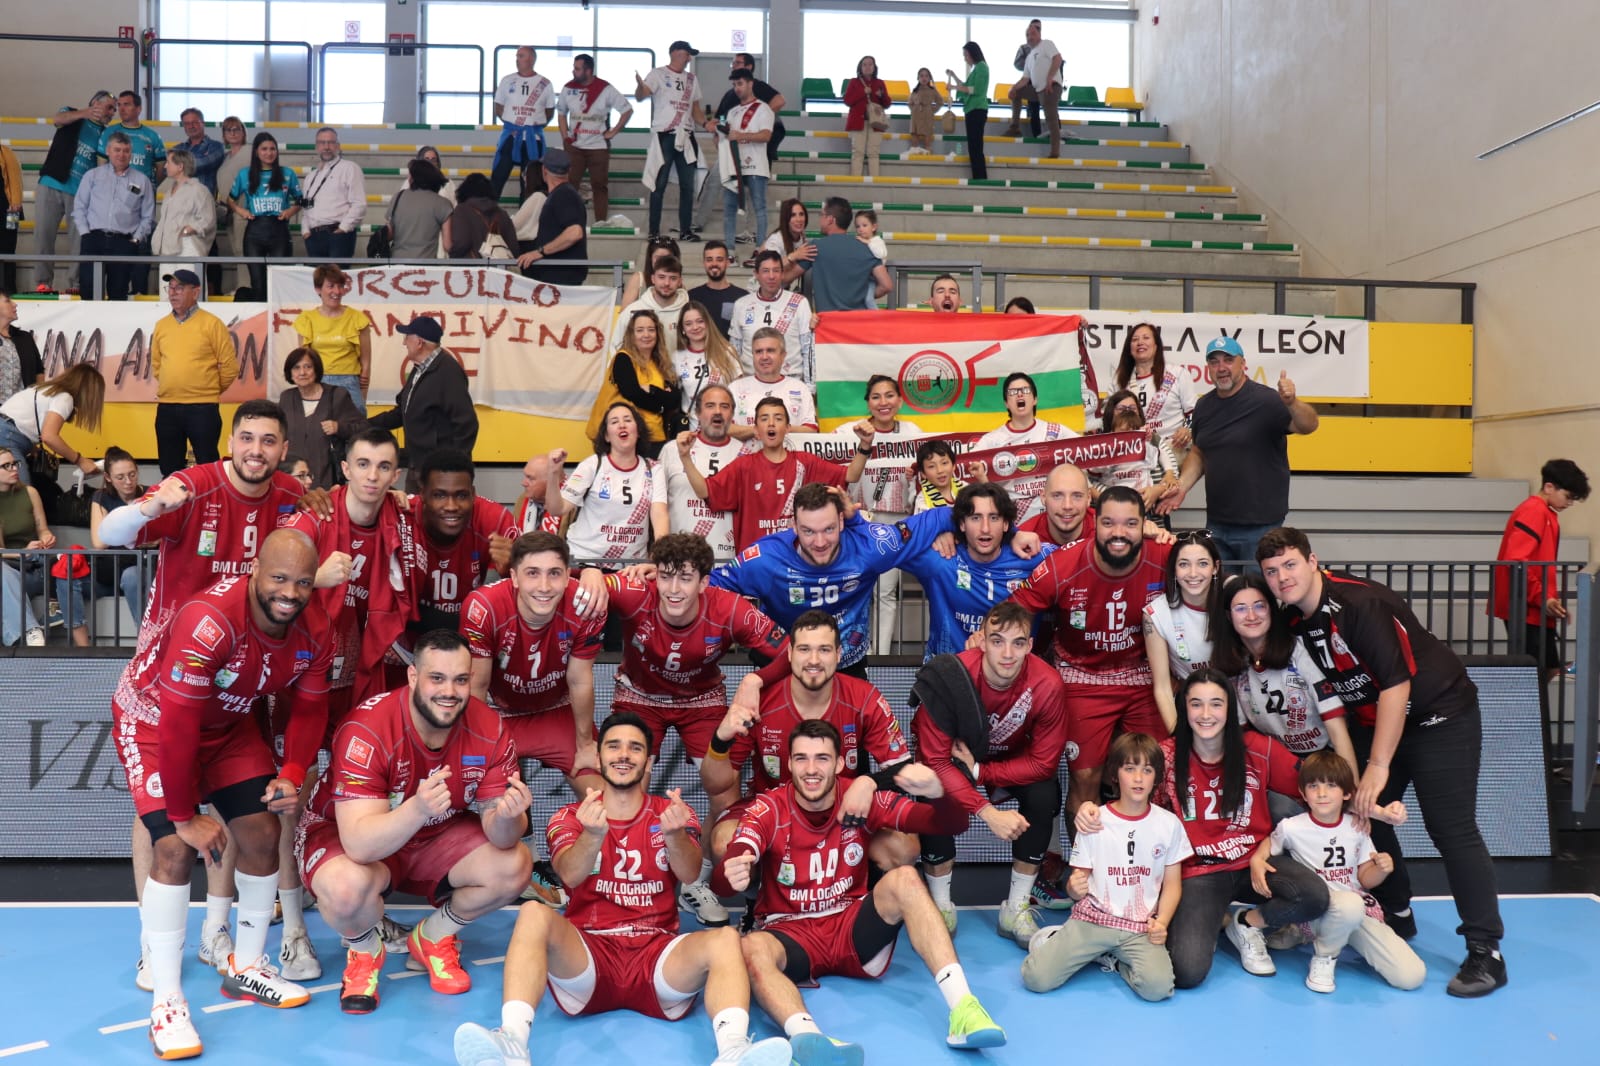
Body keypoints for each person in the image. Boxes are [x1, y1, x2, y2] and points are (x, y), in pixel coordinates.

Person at [451, 711, 792, 1066]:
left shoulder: (673, 813)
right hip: (588, 957)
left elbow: (691, 874)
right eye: (614, 747)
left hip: (657, 956)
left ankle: (734, 1050)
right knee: (535, 913)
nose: (624, 755)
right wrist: (592, 836)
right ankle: (512, 1045)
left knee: (724, 939)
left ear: (648, 761)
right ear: (599, 758)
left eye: (635, 748)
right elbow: (569, 875)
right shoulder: (572, 815)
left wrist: (675, 835)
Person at [1256, 526, 1509, 997]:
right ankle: (1397, 913)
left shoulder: (1358, 605)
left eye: (1290, 565)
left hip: (1439, 714)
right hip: (1376, 719)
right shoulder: (1291, 618)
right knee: (1364, 814)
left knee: (1451, 830)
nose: (1282, 577)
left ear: (1314, 562)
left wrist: (1377, 764)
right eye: (1272, 572)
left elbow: (1396, 686)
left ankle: (1486, 951)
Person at [115, 529, 334, 1058]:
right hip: (154, 721)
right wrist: (184, 814)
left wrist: (294, 768)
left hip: (230, 726)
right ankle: (167, 1002)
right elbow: (179, 724)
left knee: (262, 832)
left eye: (303, 582)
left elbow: (309, 706)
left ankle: (248, 967)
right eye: (279, 578)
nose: (291, 593)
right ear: (255, 570)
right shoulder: (209, 620)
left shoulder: (316, 627)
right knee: (171, 846)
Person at [714, 719, 1005, 1058]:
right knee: (749, 947)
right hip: (789, 933)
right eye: (802, 759)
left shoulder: (862, 800)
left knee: (907, 879)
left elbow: (951, 824)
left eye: (822, 758)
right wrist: (731, 870)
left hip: (852, 927)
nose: (811, 769)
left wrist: (938, 794)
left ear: (839, 764)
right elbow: (723, 880)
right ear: (789, 764)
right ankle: (810, 1040)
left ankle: (965, 1010)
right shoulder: (768, 808)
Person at [298, 629, 533, 1014]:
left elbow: (502, 837)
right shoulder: (367, 729)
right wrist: (417, 809)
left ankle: (433, 938)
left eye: (460, 679)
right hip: (348, 837)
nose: (450, 691)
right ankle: (363, 951)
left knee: (514, 864)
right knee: (344, 888)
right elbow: (359, 844)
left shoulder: (489, 726)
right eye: (436, 678)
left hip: (432, 837)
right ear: (412, 678)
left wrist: (509, 818)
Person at [1074, 670, 1332, 990]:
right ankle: (1217, 919)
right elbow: (1133, 809)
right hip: (1198, 874)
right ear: (1184, 709)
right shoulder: (1166, 756)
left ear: (1230, 709)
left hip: (1255, 863)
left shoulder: (1258, 748)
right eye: (1196, 705)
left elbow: (1318, 786)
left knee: (1315, 897)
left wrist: (1366, 808)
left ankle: (1245, 924)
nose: (1206, 714)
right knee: (1186, 972)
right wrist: (1091, 809)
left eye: (1216, 704)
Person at [604, 535, 787, 925]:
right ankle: (627, 880)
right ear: (654, 577)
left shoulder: (730, 608)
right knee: (628, 781)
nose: (673, 589)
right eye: (666, 577)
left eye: (685, 579)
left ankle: (695, 884)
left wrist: (756, 680)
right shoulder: (634, 590)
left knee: (724, 787)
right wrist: (589, 573)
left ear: (705, 582)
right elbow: (563, 583)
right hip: (639, 696)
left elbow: (788, 649)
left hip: (701, 700)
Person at [1008, 485, 1172, 820]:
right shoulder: (1063, 564)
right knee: (1085, 780)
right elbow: (1015, 612)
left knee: (1156, 773)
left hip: (1143, 675)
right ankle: (1085, 868)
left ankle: (1150, 865)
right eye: (1109, 523)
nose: (1119, 533)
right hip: (1082, 676)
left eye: (1130, 524)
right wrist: (987, 638)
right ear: (1094, 523)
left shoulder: (1165, 555)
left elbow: (1206, 593)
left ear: (1144, 525)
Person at [913, 602, 1069, 943]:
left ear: (1030, 646)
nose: (1008, 653)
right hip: (952, 760)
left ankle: (1015, 909)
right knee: (930, 787)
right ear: (980, 640)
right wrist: (987, 812)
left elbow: (1043, 762)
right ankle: (940, 907)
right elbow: (936, 761)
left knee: (1044, 792)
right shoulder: (949, 678)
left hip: (1008, 762)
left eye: (1017, 643)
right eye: (997, 641)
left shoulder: (1047, 684)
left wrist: (981, 771)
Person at [706, 485, 975, 678]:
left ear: (842, 522)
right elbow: (708, 589)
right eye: (809, 531)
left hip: (845, 665)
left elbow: (945, 515)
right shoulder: (764, 559)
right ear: (794, 527)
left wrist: (1010, 535)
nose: (820, 542)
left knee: (856, 753)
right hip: (781, 665)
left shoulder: (872, 546)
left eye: (829, 529)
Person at [1022, 732, 1190, 1000]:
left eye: (1147, 770)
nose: (1138, 778)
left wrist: (1162, 922)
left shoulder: (1169, 825)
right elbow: (1078, 884)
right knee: (1035, 978)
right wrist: (1074, 888)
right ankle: (1061, 938)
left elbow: (1172, 885)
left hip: (1139, 928)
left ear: (1156, 777)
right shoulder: (1094, 820)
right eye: (1129, 769)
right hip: (1093, 921)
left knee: (1158, 989)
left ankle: (1114, 959)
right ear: (1115, 774)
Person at [1253, 750, 1426, 992]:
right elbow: (1269, 845)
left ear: (1347, 793)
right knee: (1349, 905)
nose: (1322, 793)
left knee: (1411, 976)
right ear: (1303, 793)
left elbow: (1366, 877)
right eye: (1313, 786)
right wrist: (1257, 860)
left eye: (1331, 786)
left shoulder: (1356, 827)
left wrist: (1383, 868)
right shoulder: (1292, 827)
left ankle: (1312, 935)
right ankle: (1324, 956)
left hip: (1353, 912)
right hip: (1314, 910)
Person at [1159, 336, 1318, 564]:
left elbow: (1308, 426)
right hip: (1216, 524)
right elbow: (1200, 452)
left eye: (1228, 360)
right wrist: (1182, 487)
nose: (1221, 367)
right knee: (1221, 593)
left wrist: (1292, 403)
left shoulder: (1267, 400)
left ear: (1242, 364)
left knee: (1257, 596)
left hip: (1262, 526)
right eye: (1214, 362)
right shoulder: (1204, 406)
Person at [1209, 572, 1359, 780]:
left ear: (1272, 609)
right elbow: (1243, 738)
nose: (1252, 616)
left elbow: (1336, 726)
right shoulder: (1233, 667)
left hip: (1327, 758)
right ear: (1228, 616)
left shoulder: (1298, 650)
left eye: (1260, 606)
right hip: (1279, 764)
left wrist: (1350, 790)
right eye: (1241, 609)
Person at [898, 484, 1050, 661]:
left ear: (1006, 524)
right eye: (975, 518)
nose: (985, 528)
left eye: (994, 518)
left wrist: (1017, 533)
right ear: (961, 524)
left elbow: (1082, 556)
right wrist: (937, 529)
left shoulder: (1032, 555)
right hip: (947, 672)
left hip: (1014, 673)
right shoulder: (940, 559)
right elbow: (892, 538)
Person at [675, 398, 842, 553]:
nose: (771, 423)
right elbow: (705, 491)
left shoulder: (804, 462)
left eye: (778, 418)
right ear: (755, 430)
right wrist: (685, 457)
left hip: (795, 561)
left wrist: (864, 446)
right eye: (764, 419)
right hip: (754, 564)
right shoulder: (744, 465)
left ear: (788, 428)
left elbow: (850, 476)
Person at [1491, 457, 1590, 688]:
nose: (1570, 503)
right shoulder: (1534, 511)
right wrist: (1543, 597)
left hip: (1531, 605)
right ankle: (1530, 721)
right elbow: (1517, 561)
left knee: (1545, 670)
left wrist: (1547, 599)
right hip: (1526, 607)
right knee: (1537, 673)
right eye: (1568, 497)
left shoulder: (1542, 513)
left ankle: (1536, 720)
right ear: (1549, 487)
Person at [841, 377, 923, 651]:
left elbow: (928, 477)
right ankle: (853, 650)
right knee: (857, 587)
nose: (883, 402)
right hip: (860, 521)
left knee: (887, 591)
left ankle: (882, 656)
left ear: (900, 400)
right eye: (876, 397)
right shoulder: (848, 432)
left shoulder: (912, 431)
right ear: (868, 402)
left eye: (889, 396)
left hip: (898, 521)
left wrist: (915, 476)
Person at [368, 315, 478, 491]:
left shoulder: (448, 372)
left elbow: (467, 423)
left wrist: (452, 467)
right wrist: (364, 425)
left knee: (433, 516)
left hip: (437, 470)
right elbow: (402, 413)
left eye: (407, 338)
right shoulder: (420, 370)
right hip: (417, 464)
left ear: (419, 342)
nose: (404, 343)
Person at [547, 403, 669, 562]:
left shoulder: (653, 469)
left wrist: (657, 561)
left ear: (638, 431)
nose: (622, 425)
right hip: (585, 560)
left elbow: (660, 515)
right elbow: (557, 508)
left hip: (631, 566)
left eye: (627, 420)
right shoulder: (592, 465)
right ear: (606, 436)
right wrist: (552, 473)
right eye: (614, 422)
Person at [148, 268, 239, 476]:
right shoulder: (162, 325)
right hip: (168, 407)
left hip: (203, 407)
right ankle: (174, 509)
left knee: (208, 467)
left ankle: (211, 508)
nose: (173, 293)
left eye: (179, 288)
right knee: (169, 470)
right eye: (170, 287)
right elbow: (157, 364)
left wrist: (208, 389)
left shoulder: (212, 324)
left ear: (195, 292)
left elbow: (229, 367)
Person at [33, 90, 115, 292]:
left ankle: (76, 284)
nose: (112, 113)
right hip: (51, 182)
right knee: (43, 235)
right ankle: (43, 283)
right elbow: (58, 119)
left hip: (81, 192)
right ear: (95, 103)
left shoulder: (107, 134)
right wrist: (84, 113)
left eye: (114, 109)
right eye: (109, 107)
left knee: (79, 240)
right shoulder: (71, 113)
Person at [1143, 529, 1221, 733]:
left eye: (1203, 564)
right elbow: (1162, 687)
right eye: (1184, 564)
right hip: (1191, 706)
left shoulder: (1235, 598)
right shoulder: (1156, 614)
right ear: (1174, 570)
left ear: (1215, 567)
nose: (1193, 573)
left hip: (1242, 705)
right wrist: (1177, 737)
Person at [660, 384, 742, 561]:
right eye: (710, 406)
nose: (718, 411)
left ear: (732, 415)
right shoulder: (671, 450)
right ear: (697, 413)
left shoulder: (745, 454)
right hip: (677, 559)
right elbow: (656, 506)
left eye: (725, 406)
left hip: (726, 562)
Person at [637, 41, 707, 241]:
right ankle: (654, 231)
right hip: (665, 135)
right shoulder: (657, 74)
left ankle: (685, 230)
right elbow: (642, 95)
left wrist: (706, 124)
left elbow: (696, 110)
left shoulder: (692, 79)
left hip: (686, 135)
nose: (689, 59)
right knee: (659, 184)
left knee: (688, 185)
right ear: (676, 53)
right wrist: (639, 87)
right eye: (687, 54)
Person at [73, 130, 154, 301]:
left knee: (119, 291)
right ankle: (89, 327)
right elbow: (80, 207)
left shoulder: (142, 180)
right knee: (88, 289)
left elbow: (147, 216)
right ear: (108, 151)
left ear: (131, 153)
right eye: (117, 150)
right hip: (93, 239)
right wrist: (85, 233)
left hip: (124, 242)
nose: (121, 154)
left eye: (126, 150)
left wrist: (136, 239)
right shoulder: (92, 175)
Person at [591, 311, 683, 455]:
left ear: (658, 334)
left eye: (651, 330)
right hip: (626, 436)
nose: (646, 335)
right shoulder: (623, 358)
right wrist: (660, 405)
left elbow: (675, 398)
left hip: (655, 435)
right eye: (640, 330)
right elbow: (633, 393)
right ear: (631, 335)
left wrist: (652, 390)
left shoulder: (659, 363)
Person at [558, 52, 634, 225]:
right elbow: (561, 113)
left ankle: (601, 222)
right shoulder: (568, 88)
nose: (573, 71)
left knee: (599, 186)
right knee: (569, 186)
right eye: (574, 68)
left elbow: (627, 110)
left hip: (598, 146)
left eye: (577, 69)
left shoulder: (605, 89)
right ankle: (566, 222)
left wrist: (613, 132)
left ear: (588, 70)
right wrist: (565, 137)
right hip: (574, 146)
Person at [0, 362, 104, 488]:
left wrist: (33, 448)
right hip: (8, 438)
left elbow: (23, 420)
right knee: (22, 496)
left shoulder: (47, 390)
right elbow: (49, 436)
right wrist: (80, 461)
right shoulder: (65, 398)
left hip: (7, 434)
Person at [278, 346, 367, 490]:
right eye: (296, 367)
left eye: (308, 367)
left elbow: (363, 428)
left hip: (326, 480)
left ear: (316, 370)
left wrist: (339, 427)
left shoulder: (337, 396)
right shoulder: (286, 398)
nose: (302, 372)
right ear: (290, 373)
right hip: (291, 479)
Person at [80, 445, 149, 628]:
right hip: (110, 571)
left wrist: (118, 535)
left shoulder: (150, 494)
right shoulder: (100, 497)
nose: (128, 481)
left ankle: (145, 636)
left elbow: (157, 538)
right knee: (67, 577)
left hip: (141, 568)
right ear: (108, 478)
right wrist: (136, 537)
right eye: (120, 477)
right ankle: (81, 648)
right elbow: (99, 542)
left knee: (132, 576)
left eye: (132, 474)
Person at [227, 132, 301, 300]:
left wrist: (290, 211)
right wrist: (241, 211)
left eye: (272, 149)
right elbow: (230, 199)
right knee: (258, 283)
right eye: (264, 149)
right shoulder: (244, 174)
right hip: (254, 232)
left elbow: (300, 201)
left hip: (279, 231)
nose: (269, 153)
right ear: (256, 152)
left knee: (279, 281)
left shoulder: (288, 173)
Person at [292, 264, 372, 415]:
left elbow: (366, 363)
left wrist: (362, 398)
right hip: (317, 381)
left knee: (354, 429)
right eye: (331, 286)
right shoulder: (306, 319)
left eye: (340, 286)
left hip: (349, 382)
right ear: (318, 289)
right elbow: (303, 361)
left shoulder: (357, 318)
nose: (337, 291)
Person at [728, 252, 813, 379]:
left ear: (782, 274)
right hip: (751, 381)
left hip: (790, 380)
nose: (771, 276)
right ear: (756, 274)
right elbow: (734, 349)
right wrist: (736, 381)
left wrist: (810, 387)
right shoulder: (742, 304)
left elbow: (809, 350)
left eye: (776, 271)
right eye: (766, 271)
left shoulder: (799, 302)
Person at [717, 69, 774, 255]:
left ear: (750, 83)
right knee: (729, 209)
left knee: (760, 207)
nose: (737, 88)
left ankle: (760, 249)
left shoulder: (764, 108)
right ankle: (730, 252)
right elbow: (725, 137)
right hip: (734, 166)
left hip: (756, 165)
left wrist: (740, 135)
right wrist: (718, 134)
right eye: (734, 85)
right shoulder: (732, 112)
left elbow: (766, 135)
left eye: (740, 84)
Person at [1113, 322, 1195, 452]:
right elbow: (1109, 419)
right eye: (1135, 340)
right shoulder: (1119, 382)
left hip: (1173, 448)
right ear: (1129, 348)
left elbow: (1193, 413)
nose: (1140, 342)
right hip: (1133, 451)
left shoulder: (1177, 374)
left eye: (1146, 338)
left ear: (1156, 346)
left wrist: (1187, 429)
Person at [1093, 388, 1179, 512]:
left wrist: (1158, 489)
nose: (1127, 413)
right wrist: (1115, 499)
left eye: (1132, 408)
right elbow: (1090, 476)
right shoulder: (1102, 446)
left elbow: (1170, 473)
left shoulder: (1149, 443)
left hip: (1147, 508)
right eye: (1121, 409)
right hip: (1114, 510)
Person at [515, 149, 588, 287]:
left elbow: (575, 232)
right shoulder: (563, 194)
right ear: (569, 170)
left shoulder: (564, 195)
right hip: (560, 274)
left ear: (544, 170)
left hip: (560, 276)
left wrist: (540, 252)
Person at [804, 197, 891, 313]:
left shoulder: (815, 246)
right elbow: (886, 285)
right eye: (858, 226)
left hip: (828, 322)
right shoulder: (866, 248)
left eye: (821, 215)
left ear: (830, 219)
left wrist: (791, 257)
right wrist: (862, 295)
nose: (861, 229)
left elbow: (786, 276)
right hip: (857, 321)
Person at [0, 444, 50, 646]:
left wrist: (46, 538)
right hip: (10, 566)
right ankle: (31, 630)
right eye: (7, 466)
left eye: (15, 463)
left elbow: (43, 529)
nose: (15, 469)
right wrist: (23, 551)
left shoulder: (30, 492)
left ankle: (22, 636)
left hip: (33, 567)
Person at [492, 46, 556, 200]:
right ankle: (488, 216)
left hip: (533, 138)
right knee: (497, 178)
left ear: (531, 59)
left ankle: (526, 219)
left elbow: (549, 112)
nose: (517, 59)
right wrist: (514, 123)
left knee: (530, 183)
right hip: (511, 136)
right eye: (517, 56)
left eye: (521, 56)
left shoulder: (545, 84)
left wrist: (532, 124)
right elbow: (498, 108)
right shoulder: (507, 81)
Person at [728, 328, 817, 432]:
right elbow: (725, 428)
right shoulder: (735, 388)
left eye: (770, 350)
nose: (764, 357)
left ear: (783, 355)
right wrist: (760, 431)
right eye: (759, 351)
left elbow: (811, 430)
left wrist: (779, 430)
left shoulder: (800, 388)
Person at [299, 128, 366, 261]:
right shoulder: (311, 176)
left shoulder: (350, 168)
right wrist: (305, 231)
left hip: (338, 234)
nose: (326, 147)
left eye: (330, 142)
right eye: (322, 143)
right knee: (317, 281)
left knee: (337, 280)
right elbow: (306, 207)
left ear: (338, 146)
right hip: (313, 236)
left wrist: (343, 229)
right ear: (316, 146)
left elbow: (359, 203)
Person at [150, 149, 217, 282]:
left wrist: (188, 230)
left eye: (168, 162)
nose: (165, 166)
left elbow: (208, 218)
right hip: (167, 247)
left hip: (188, 246)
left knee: (188, 287)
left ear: (180, 166)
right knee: (167, 290)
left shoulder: (198, 189)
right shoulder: (169, 192)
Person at [674, 301, 742, 422]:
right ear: (682, 329)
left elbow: (740, 391)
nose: (695, 327)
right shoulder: (677, 357)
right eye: (688, 324)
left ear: (707, 323)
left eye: (700, 321)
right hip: (692, 429)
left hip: (723, 426)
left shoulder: (726, 351)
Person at [1004, 20, 1062, 158]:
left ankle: (1055, 151)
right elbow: (1025, 79)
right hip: (1037, 90)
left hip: (1050, 87)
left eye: (1033, 34)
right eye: (1027, 35)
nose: (1030, 37)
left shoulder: (1046, 44)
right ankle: (1015, 127)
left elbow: (1058, 59)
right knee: (1016, 92)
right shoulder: (1029, 56)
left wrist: (1049, 78)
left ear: (1039, 34)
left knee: (1051, 118)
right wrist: (1013, 88)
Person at [611, 255, 690, 355]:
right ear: (653, 279)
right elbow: (616, 347)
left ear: (680, 281)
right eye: (661, 277)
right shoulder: (633, 311)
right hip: (642, 370)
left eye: (673, 278)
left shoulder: (689, 312)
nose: (666, 283)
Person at [976, 371, 1075, 451]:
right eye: (1013, 392)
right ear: (1006, 403)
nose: (1020, 394)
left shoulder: (1055, 432)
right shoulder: (992, 440)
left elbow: (1087, 451)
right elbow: (969, 466)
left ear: (1035, 399)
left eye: (1025, 390)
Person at [211, 117, 251, 294]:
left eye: (237, 129)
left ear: (243, 132)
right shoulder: (225, 157)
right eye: (228, 130)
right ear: (224, 135)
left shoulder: (250, 152)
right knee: (237, 249)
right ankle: (242, 286)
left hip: (244, 207)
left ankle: (247, 287)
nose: (233, 133)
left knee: (244, 249)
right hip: (228, 210)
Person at [443, 173, 521, 261]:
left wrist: (452, 254)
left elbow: (462, 243)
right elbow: (513, 248)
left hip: (471, 269)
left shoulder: (462, 211)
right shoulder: (502, 214)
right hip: (499, 269)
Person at [387, 158, 454, 262]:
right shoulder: (443, 204)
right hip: (425, 266)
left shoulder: (398, 197)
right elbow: (448, 245)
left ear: (414, 178)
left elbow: (389, 233)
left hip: (397, 264)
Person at [101, 90, 167, 182]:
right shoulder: (108, 132)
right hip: (114, 191)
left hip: (143, 192)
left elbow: (162, 168)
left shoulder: (153, 136)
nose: (122, 109)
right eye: (119, 105)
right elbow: (101, 165)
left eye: (127, 104)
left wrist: (149, 187)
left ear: (138, 109)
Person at [947, 44, 990, 179]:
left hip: (977, 110)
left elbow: (973, 89)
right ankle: (978, 176)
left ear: (972, 53)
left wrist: (954, 87)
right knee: (973, 146)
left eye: (966, 55)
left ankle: (980, 177)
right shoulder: (977, 69)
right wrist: (953, 76)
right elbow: (965, 86)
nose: (965, 58)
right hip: (972, 110)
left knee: (976, 146)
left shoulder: (982, 67)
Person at [844, 56, 892, 179]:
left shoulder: (879, 83)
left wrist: (881, 96)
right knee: (857, 153)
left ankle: (874, 183)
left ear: (874, 67)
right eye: (864, 64)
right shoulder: (854, 82)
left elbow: (887, 104)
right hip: (858, 122)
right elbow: (847, 100)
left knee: (874, 153)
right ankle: (855, 182)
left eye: (870, 64)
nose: (867, 67)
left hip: (875, 123)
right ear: (860, 67)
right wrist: (863, 92)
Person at [688, 243, 748, 340]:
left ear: (728, 263)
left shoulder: (742, 297)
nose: (714, 264)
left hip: (731, 353)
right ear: (704, 263)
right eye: (709, 260)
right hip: (700, 353)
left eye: (719, 259)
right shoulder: (691, 297)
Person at [621, 235, 682, 307]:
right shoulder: (638, 279)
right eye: (658, 258)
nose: (662, 261)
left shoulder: (679, 285)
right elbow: (625, 311)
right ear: (650, 259)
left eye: (666, 258)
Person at [911, 439, 968, 513]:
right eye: (931, 466)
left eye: (944, 463)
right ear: (923, 474)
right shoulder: (922, 500)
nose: (940, 470)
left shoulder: (965, 488)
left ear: (953, 466)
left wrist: (982, 478)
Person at [764, 199, 813, 284]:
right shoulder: (776, 239)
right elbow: (770, 267)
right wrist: (793, 256)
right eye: (793, 215)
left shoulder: (802, 237)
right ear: (785, 219)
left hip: (780, 289)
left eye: (801, 214)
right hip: (762, 290)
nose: (799, 219)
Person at [513, 453, 555, 534]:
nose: (523, 483)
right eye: (525, 476)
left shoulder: (569, 507)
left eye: (530, 478)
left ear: (550, 481)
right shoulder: (522, 500)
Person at [0, 141, 22, 293]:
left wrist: (15, 203)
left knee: (8, 252)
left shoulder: (6, 153)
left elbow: (16, 182)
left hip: (10, 211)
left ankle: (8, 292)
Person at [906, 68, 941, 155]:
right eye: (921, 76)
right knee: (914, 140)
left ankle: (928, 160)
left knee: (927, 140)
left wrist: (932, 110)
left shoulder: (933, 90)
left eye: (926, 76)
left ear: (929, 78)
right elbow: (910, 103)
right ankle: (914, 160)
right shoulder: (915, 90)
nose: (924, 78)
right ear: (918, 78)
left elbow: (940, 101)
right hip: (916, 116)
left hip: (927, 116)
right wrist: (914, 110)